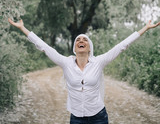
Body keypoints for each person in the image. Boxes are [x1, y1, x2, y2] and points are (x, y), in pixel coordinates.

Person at [8, 18, 160, 124]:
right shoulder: (65, 63)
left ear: (89, 47)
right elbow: (44, 46)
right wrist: (23, 28)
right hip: (76, 118)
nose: (81, 41)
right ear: (75, 48)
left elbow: (122, 45)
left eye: (85, 40)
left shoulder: (99, 62)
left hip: (99, 116)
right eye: (78, 40)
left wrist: (145, 28)